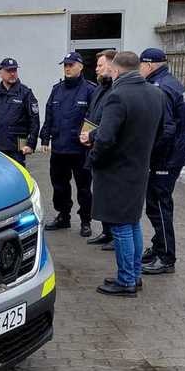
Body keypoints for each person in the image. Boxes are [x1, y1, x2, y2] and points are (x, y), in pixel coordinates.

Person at [82, 51, 164, 297]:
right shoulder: (155, 93)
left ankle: (126, 280)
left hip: (116, 172)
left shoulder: (117, 96)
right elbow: (159, 132)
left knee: (120, 227)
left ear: (116, 71)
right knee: (132, 223)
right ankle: (134, 276)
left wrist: (93, 159)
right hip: (138, 168)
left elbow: (107, 138)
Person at [139, 48, 185, 276]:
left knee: (159, 206)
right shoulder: (171, 82)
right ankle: (159, 246)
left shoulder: (160, 88)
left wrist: (150, 152)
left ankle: (166, 257)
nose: (140, 69)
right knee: (156, 204)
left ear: (149, 65)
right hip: (171, 156)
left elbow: (166, 129)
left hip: (165, 159)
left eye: (141, 65)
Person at [40, 52, 96, 235]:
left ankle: (86, 220)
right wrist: (45, 138)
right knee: (59, 186)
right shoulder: (57, 89)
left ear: (81, 66)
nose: (67, 68)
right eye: (65, 65)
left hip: (80, 150)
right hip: (59, 148)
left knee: (84, 188)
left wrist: (89, 138)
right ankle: (63, 216)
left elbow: (94, 117)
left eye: (71, 65)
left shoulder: (90, 90)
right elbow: (49, 115)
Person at [84, 49, 117, 250]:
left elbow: (109, 124)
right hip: (94, 145)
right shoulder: (99, 88)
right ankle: (107, 231)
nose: (96, 69)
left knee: (111, 195)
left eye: (100, 65)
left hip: (107, 150)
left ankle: (115, 235)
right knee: (100, 193)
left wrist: (92, 136)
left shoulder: (116, 91)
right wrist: (85, 134)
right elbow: (92, 115)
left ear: (112, 66)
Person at [0, 57, 39, 165]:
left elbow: (34, 120)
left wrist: (31, 144)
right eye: (9, 71)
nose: (12, 74)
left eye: (14, 70)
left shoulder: (25, 93)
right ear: (0, 73)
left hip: (17, 147)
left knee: (17, 173)